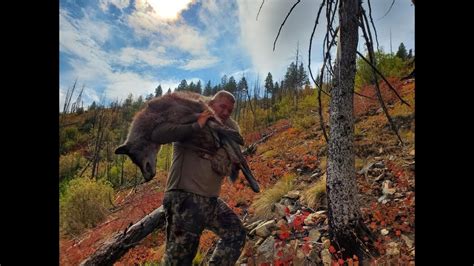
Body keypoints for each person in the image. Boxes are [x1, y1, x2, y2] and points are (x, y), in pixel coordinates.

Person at [155, 90, 246, 266]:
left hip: (210, 201)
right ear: (211, 104)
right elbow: (160, 133)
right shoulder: (192, 115)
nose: (226, 112)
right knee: (179, 260)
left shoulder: (226, 132)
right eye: (222, 107)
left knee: (236, 234)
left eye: (230, 110)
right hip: (185, 199)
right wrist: (196, 125)